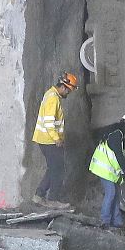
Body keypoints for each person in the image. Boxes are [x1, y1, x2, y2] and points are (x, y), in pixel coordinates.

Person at [31, 72, 78, 208]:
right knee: (58, 169)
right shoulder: (53, 99)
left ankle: (39, 195)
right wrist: (57, 139)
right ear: (64, 87)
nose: (68, 94)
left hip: (45, 139)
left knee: (52, 168)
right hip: (49, 140)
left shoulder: (50, 94)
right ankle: (53, 199)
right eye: (69, 91)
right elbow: (49, 122)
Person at [88, 110, 125, 227]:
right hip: (103, 170)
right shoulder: (117, 135)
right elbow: (118, 155)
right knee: (111, 193)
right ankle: (105, 220)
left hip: (109, 172)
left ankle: (117, 221)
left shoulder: (119, 135)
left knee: (115, 194)